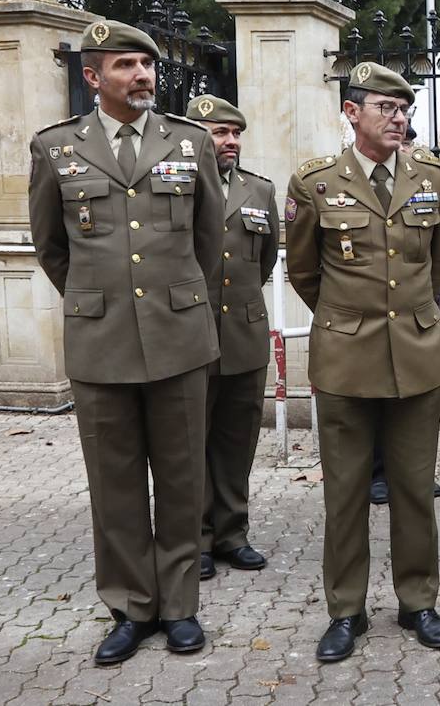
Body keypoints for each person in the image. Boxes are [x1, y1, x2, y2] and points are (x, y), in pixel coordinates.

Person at [28, 20, 225, 664]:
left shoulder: (189, 141)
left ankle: (179, 606)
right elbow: (52, 249)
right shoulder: (56, 149)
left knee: (180, 477)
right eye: (125, 65)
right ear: (92, 77)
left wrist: (174, 297)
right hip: (101, 340)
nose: (143, 74)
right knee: (113, 483)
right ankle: (130, 608)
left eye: (147, 63)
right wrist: (99, 298)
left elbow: (209, 241)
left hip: (179, 335)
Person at [285, 61, 440, 662]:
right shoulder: (315, 183)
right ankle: (346, 611)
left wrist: (409, 317)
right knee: (347, 492)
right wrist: (348, 318)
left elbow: (438, 265)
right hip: (344, 361)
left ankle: (418, 602)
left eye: (404, 108)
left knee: (413, 488)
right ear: (352, 113)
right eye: (386, 107)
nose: (399, 117)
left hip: (416, 355)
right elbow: (304, 271)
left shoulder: (432, 178)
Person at [187, 95, 279, 582]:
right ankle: (195, 538)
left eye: (236, 133)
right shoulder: (177, 187)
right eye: (221, 133)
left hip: (243, 334)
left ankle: (232, 534)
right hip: (190, 335)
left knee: (237, 439)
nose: (230, 142)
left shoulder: (258, 191)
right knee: (190, 440)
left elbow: (265, 262)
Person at [369, 127, 440, 505]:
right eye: (398, 141)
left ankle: (416, 472)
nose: (402, 148)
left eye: (407, 142)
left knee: (419, 396)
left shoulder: (429, 184)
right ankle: (378, 473)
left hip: (425, 315)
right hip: (372, 318)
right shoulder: (355, 187)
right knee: (376, 394)